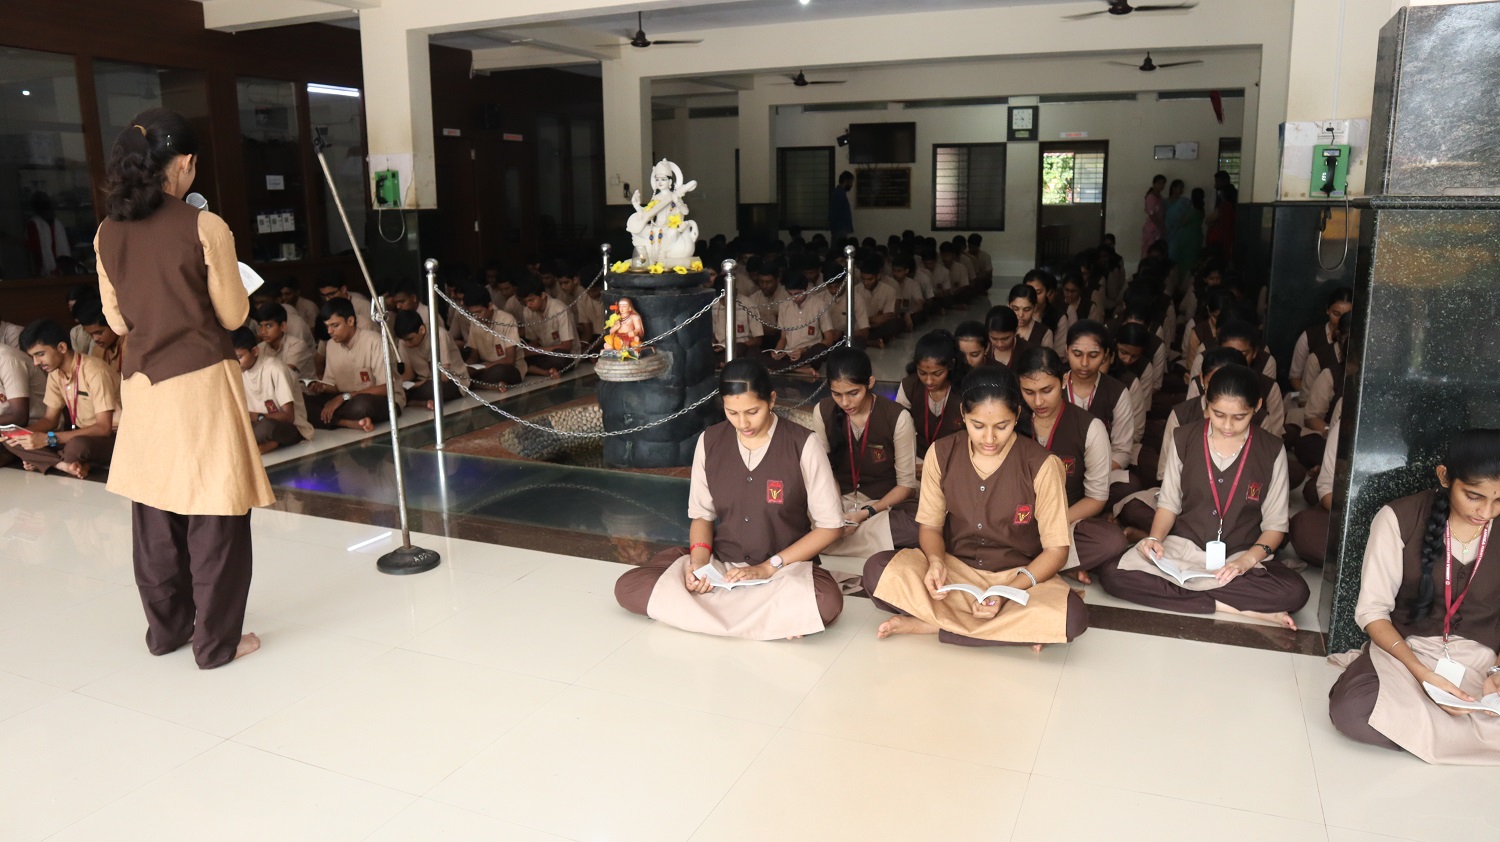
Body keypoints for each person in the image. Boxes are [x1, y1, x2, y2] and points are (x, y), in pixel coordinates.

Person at [92, 109, 273, 668]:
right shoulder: (205, 226)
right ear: (186, 163)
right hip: (200, 383)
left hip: (142, 385)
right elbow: (233, 313)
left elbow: (116, 322)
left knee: (155, 510)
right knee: (215, 510)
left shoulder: (107, 231)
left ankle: (166, 631)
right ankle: (216, 643)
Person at [614, 358, 845, 639]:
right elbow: (702, 516)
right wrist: (699, 565)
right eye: (732, 412)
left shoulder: (803, 444)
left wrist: (767, 567)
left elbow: (831, 526)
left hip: (783, 570)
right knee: (629, 587)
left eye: (753, 411)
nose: (743, 423)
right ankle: (770, 618)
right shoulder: (710, 442)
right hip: (722, 566)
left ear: (772, 400)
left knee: (826, 601)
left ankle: (710, 614)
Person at [862, 367, 1089, 650]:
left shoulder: (1042, 465)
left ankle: (933, 625)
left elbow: (1056, 551)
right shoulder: (941, 453)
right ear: (963, 414)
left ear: (1017, 415)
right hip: (955, 574)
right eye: (978, 425)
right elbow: (931, 527)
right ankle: (1006, 631)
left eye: (1002, 426)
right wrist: (936, 562)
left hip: (1017, 578)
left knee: (1073, 618)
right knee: (877, 571)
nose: (989, 439)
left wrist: (1006, 593)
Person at [1327, 428, 1500, 763]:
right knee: (1352, 709)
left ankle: (1426, 729)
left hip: (1485, 663)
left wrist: (1497, 674)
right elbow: (1373, 612)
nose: (1486, 512)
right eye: (1474, 496)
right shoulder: (1398, 518)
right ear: (1445, 477)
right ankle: (1470, 736)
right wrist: (1423, 675)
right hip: (1407, 655)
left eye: (1499, 500)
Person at [1097, 364, 1308, 629]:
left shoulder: (1272, 450)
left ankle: (1190, 594)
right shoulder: (1184, 438)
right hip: (1184, 549)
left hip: (1238, 556)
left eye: (1240, 417)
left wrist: (1244, 562)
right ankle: (1231, 607)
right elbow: (1169, 503)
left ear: (1257, 406)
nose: (1228, 426)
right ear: (1207, 403)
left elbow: (1275, 527)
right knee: (1112, 574)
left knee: (1295, 592)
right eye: (1219, 414)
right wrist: (1155, 538)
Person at [1017, 347, 1129, 583]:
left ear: (1064, 380)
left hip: (1064, 520)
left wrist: (1050, 523)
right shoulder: (1011, 422)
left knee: (1112, 541)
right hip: (1016, 517)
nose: (1038, 401)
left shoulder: (1090, 427)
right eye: (1028, 392)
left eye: (1047, 390)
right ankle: (1055, 564)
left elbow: (1096, 498)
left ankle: (1030, 561)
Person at [812, 348, 919, 557]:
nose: (845, 403)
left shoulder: (897, 417)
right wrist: (836, 512)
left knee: (918, 525)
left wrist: (866, 513)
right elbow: (825, 473)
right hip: (837, 500)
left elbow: (906, 486)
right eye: (837, 394)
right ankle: (864, 540)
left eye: (853, 393)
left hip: (882, 505)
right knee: (791, 511)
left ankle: (824, 541)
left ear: (870, 382)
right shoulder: (822, 411)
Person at [1, 320, 119, 476]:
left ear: (62, 348)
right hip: (78, 434)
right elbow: (50, 420)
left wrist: (47, 439)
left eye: (40, 354)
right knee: (12, 440)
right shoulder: (55, 374)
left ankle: (50, 460)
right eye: (32, 356)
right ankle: (66, 464)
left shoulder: (95, 372)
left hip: (113, 437)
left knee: (77, 446)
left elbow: (103, 428)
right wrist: (22, 435)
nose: (36, 363)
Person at [305, 297, 404, 432]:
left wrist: (345, 397)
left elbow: (386, 388)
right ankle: (347, 422)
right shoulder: (331, 345)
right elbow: (334, 386)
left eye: (335, 325)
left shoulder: (374, 341)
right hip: (346, 399)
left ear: (350, 321)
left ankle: (334, 419)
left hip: (381, 400)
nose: (329, 331)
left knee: (362, 406)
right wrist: (322, 387)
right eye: (327, 326)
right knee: (303, 404)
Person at [894, 330, 968, 476]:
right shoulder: (910, 386)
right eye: (922, 373)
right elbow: (897, 430)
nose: (928, 381)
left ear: (951, 365)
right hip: (916, 460)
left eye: (937, 373)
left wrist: (936, 466)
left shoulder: (965, 391)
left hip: (955, 463)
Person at [231, 327, 311, 454]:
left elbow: (289, 417)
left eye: (239, 357)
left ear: (255, 351)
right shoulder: (239, 372)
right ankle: (266, 443)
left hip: (288, 426)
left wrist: (257, 416)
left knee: (265, 428)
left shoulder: (275, 369)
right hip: (258, 424)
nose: (235, 363)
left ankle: (267, 443)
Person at [393, 308, 466, 409]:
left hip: (451, 381)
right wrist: (396, 383)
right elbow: (409, 373)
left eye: (410, 339)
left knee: (431, 388)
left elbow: (444, 377)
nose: (407, 344)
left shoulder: (439, 335)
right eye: (404, 340)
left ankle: (413, 401)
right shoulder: (404, 342)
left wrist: (418, 385)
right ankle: (421, 402)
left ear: (422, 330)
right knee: (395, 391)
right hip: (422, 381)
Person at [1290, 287, 1354, 393]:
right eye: (1336, 314)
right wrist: (1313, 398)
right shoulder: (1310, 337)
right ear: (1327, 310)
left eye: (1346, 316)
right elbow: (1295, 378)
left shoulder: (1358, 343)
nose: (1340, 320)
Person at [462, 284, 526, 387]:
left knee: (498, 372)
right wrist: (467, 367)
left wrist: (485, 367)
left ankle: (474, 384)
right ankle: (478, 383)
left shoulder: (506, 319)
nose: (476, 316)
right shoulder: (475, 321)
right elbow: (474, 356)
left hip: (509, 368)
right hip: (485, 367)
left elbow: (510, 360)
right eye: (472, 313)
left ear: (490, 306)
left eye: (479, 312)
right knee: (463, 372)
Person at [767, 274, 830, 375]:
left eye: (797, 294)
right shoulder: (784, 306)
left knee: (820, 349)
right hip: (789, 355)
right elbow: (783, 338)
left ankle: (783, 367)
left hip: (809, 355)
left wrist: (804, 350)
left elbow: (829, 339)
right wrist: (777, 351)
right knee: (754, 354)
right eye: (790, 294)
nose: (794, 298)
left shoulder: (819, 305)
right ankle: (799, 369)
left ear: (806, 289)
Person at [517, 276, 577, 378]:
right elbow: (534, 340)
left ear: (543, 295)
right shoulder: (527, 311)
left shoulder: (559, 309)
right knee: (520, 358)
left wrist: (536, 350)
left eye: (531, 300)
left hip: (564, 354)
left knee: (559, 358)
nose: (529, 305)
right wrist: (528, 350)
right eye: (526, 302)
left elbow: (567, 346)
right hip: (543, 353)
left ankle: (542, 370)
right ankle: (547, 372)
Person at [253, 302, 315, 378]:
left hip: (303, 386)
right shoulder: (260, 348)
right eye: (260, 326)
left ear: (283, 326)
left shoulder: (298, 345)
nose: (263, 332)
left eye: (268, 326)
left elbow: (283, 375)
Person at [856, 256, 902, 348]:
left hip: (877, 327)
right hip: (860, 327)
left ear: (878, 276)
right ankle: (871, 342)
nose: (866, 283)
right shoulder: (855, 290)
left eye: (870, 279)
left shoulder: (889, 290)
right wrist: (872, 319)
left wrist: (869, 322)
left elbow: (887, 317)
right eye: (863, 279)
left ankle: (866, 340)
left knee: (896, 323)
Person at [25, 192, 71, 277]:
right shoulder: (34, 224)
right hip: (46, 272)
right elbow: (35, 248)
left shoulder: (56, 223)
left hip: (59, 270)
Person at [77, 301, 127, 377]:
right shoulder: (97, 351)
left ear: (112, 325)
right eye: (90, 334)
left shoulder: (130, 345)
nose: (95, 338)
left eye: (99, 333)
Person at [1009, 282, 1053, 351]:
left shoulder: (1044, 333)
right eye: (1015, 309)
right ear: (1009, 306)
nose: (1020, 314)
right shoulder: (1001, 327)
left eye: (1026, 309)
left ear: (1035, 308)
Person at [1206, 170, 1238, 261]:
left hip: (1220, 235)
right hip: (1229, 234)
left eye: (1217, 181)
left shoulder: (1225, 204)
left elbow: (1211, 219)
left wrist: (1210, 223)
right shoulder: (1232, 199)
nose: (1215, 184)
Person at [1142, 174, 1167, 255]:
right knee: (1149, 250)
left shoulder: (1160, 197)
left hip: (1158, 228)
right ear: (1154, 184)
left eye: (1163, 184)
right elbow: (1152, 214)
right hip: (1152, 228)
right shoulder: (1151, 197)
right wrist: (1160, 225)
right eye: (1159, 183)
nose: (1161, 186)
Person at [829, 170, 854, 245]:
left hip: (839, 228)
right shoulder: (839, 194)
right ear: (846, 181)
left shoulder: (839, 193)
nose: (852, 185)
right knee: (839, 248)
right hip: (839, 229)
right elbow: (835, 213)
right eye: (851, 182)